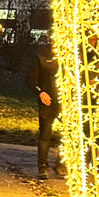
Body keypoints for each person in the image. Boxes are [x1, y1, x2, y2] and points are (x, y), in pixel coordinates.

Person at [29, 39, 62, 179]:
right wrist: (40, 92)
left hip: (64, 102)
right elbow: (31, 80)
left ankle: (61, 164)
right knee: (45, 134)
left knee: (68, 134)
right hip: (48, 103)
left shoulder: (66, 59)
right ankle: (42, 165)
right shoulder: (41, 59)